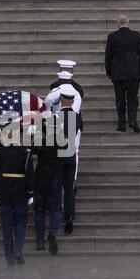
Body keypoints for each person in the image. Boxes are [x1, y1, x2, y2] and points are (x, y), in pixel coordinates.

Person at [0, 120, 34, 267]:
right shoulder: (26, 152)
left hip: (4, 191)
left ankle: (9, 255)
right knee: (21, 222)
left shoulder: (0, 153)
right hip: (20, 191)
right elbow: (29, 175)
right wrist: (30, 192)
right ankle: (18, 249)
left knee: (7, 224)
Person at [105, 15, 140, 133]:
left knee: (120, 99)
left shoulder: (112, 37)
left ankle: (122, 124)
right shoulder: (137, 36)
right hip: (133, 73)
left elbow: (108, 56)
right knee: (133, 98)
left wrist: (108, 71)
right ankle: (133, 120)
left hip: (117, 73)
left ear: (118, 24)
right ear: (128, 23)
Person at [33, 116, 63, 255]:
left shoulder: (41, 142)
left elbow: (32, 149)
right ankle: (52, 233)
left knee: (39, 211)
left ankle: (39, 241)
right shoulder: (62, 142)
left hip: (40, 177)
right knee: (55, 209)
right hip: (55, 177)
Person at [58, 84, 82, 235]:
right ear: (73, 101)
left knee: (57, 187)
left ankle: (58, 212)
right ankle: (70, 216)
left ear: (61, 100)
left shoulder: (56, 117)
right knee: (69, 188)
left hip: (58, 154)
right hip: (71, 154)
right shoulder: (77, 116)